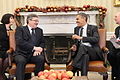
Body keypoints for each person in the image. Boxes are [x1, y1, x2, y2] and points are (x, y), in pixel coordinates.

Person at [71, 13, 104, 80]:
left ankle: (73, 67)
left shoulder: (93, 28)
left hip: (93, 52)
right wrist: (74, 46)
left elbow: (96, 39)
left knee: (83, 47)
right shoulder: (76, 29)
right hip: (82, 53)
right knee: (85, 56)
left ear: (84, 19)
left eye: (78, 19)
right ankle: (84, 77)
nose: (76, 21)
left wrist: (81, 38)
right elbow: (76, 43)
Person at [14, 14, 45, 80]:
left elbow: (42, 42)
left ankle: (38, 78)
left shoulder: (39, 30)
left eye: (38, 21)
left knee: (41, 58)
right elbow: (20, 42)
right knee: (21, 61)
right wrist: (34, 48)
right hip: (21, 53)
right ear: (29, 20)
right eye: (35, 20)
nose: (37, 22)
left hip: (33, 54)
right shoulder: (20, 29)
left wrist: (39, 49)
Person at [0, 13, 15, 80]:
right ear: (6, 19)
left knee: (7, 60)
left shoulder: (12, 31)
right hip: (0, 49)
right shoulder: (0, 27)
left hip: (8, 51)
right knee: (0, 60)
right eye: (11, 18)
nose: (13, 20)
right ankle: (2, 76)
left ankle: (2, 74)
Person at [108, 12, 120, 80]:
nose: (114, 18)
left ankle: (118, 76)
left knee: (118, 56)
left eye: (116, 17)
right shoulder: (117, 29)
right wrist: (114, 39)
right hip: (118, 48)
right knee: (110, 55)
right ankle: (116, 74)